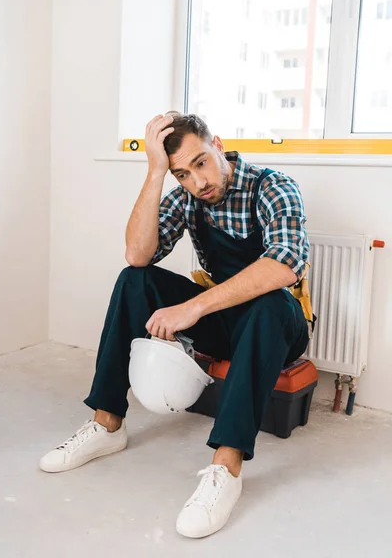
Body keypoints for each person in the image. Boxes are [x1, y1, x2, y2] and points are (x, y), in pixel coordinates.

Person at [40, 112, 310, 538]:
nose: (197, 182)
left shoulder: (272, 186)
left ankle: (226, 467)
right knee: (135, 280)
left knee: (270, 303)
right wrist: (154, 174)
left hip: (278, 324)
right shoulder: (187, 196)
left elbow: (285, 264)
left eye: (201, 163)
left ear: (218, 144)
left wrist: (192, 309)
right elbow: (137, 254)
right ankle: (107, 423)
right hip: (224, 321)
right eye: (182, 174)